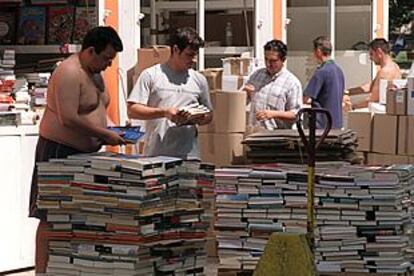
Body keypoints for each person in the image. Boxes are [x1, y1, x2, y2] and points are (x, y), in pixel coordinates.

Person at [29, 26, 126, 273]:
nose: (107, 64)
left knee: (84, 215)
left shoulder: (95, 73)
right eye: (105, 58)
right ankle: (42, 271)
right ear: (90, 50)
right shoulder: (69, 72)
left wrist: (116, 130)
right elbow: (68, 118)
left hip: (88, 154)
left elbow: (97, 112)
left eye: (111, 60)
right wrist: (106, 134)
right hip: (58, 151)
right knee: (50, 215)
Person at [127, 27, 212, 158]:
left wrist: (198, 117)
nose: (194, 60)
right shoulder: (151, 75)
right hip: (157, 154)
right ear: (176, 50)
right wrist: (164, 113)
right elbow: (132, 110)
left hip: (190, 156)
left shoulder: (199, 80)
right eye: (189, 55)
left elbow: (209, 115)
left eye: (196, 55)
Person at [244, 39, 302, 131]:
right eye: (266, 59)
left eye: (273, 61)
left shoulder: (292, 83)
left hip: (277, 137)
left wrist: (273, 114)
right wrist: (245, 93)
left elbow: (296, 114)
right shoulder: (256, 75)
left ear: (283, 60)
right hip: (255, 134)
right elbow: (244, 100)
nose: (268, 64)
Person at [303, 36, 345, 129]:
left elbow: (306, 98)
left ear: (318, 51)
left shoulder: (321, 72)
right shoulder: (339, 71)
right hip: (336, 123)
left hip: (322, 125)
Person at [351, 38, 401, 109]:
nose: (370, 58)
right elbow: (370, 87)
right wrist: (347, 92)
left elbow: (373, 99)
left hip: (383, 113)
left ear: (379, 52)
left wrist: (352, 107)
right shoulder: (395, 66)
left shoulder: (385, 71)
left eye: (371, 54)